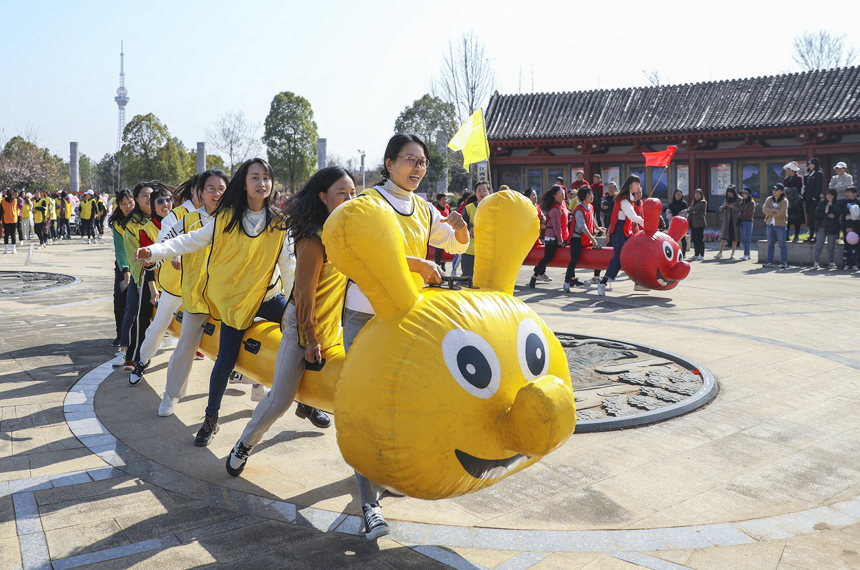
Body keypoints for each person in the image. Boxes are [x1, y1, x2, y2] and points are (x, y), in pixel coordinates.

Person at [136, 159, 330, 446]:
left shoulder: (279, 223)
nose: (262, 183)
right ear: (244, 183)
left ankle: (308, 403)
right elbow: (190, 240)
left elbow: (289, 268)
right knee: (225, 362)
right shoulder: (226, 218)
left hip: (267, 297)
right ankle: (210, 420)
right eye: (255, 177)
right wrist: (154, 251)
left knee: (300, 338)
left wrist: (295, 309)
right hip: (235, 304)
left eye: (266, 178)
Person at [340, 134, 468, 541]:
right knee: (364, 411)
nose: (417, 167)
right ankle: (369, 505)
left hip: (407, 318)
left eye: (423, 162)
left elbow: (452, 242)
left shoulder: (424, 208)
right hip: (366, 315)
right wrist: (416, 263)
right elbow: (356, 251)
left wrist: (461, 231)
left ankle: (385, 475)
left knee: (402, 404)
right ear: (389, 162)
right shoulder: (368, 204)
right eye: (410, 160)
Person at [226, 167, 356, 477]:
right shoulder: (313, 238)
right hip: (302, 326)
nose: (350, 198)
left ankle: (308, 405)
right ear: (323, 197)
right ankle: (245, 442)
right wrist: (310, 340)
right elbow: (304, 295)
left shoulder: (346, 231)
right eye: (342, 193)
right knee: (279, 400)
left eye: (353, 193)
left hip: (330, 328)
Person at [155, 170, 227, 416]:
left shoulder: (235, 220)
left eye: (221, 188)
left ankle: (258, 386)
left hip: (227, 297)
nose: (216, 193)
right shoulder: (189, 219)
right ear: (199, 193)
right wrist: (157, 255)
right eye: (211, 188)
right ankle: (171, 394)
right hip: (197, 297)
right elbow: (167, 241)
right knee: (186, 345)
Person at [119, 182, 157, 370]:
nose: (148, 199)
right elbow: (133, 256)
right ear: (137, 199)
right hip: (141, 275)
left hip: (164, 275)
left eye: (151, 195)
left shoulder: (164, 218)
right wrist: (141, 280)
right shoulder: (132, 225)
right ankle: (132, 354)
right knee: (136, 313)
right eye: (143, 195)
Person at [598, 175, 645, 296]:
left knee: (632, 255)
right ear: (630, 185)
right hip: (619, 229)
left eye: (639, 184)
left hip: (625, 229)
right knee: (619, 257)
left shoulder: (629, 198)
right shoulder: (624, 199)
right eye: (636, 184)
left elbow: (632, 219)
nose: (638, 186)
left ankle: (638, 282)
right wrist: (646, 222)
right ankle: (603, 282)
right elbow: (632, 216)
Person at [107, 190, 135, 349]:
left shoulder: (142, 220)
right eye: (123, 204)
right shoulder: (118, 225)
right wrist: (125, 270)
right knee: (120, 297)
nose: (128, 206)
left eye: (130, 202)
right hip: (124, 266)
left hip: (143, 263)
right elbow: (121, 250)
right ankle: (121, 334)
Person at [564, 185, 603, 291]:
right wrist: (593, 239)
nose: (592, 196)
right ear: (583, 196)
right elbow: (582, 226)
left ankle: (596, 277)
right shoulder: (579, 209)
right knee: (574, 260)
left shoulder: (590, 207)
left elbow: (592, 219)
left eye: (592, 194)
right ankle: (566, 282)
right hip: (577, 239)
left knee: (598, 253)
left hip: (586, 238)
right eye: (589, 194)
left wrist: (598, 228)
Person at [529, 185, 568, 288]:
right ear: (554, 195)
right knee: (547, 258)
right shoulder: (555, 209)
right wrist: (560, 240)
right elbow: (557, 227)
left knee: (548, 258)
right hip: (552, 238)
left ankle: (571, 278)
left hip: (560, 236)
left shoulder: (562, 204)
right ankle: (535, 275)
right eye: (560, 192)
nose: (563, 193)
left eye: (563, 191)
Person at [461, 181, 492, 277]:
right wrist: (470, 228)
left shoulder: (494, 208)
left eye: (484, 190)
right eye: (479, 190)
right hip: (470, 250)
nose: (482, 193)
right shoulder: (469, 208)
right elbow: (462, 224)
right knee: (468, 278)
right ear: (475, 193)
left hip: (488, 251)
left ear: (489, 192)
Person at [813, 188, 842, 269]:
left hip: (832, 228)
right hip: (821, 226)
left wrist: (831, 204)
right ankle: (816, 261)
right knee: (819, 244)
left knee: (831, 246)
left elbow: (837, 213)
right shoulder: (821, 203)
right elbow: (817, 213)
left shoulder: (837, 203)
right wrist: (827, 215)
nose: (829, 196)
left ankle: (831, 262)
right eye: (827, 194)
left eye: (831, 195)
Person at [763, 183, 788, 269]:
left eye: (776, 190)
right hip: (770, 224)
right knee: (770, 244)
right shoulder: (769, 199)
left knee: (782, 244)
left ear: (781, 191)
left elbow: (782, 213)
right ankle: (769, 261)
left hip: (780, 225)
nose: (774, 191)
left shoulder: (784, 201)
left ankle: (784, 262)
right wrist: (774, 210)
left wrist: (771, 212)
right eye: (773, 189)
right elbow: (764, 209)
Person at [715, 186, 741, 259]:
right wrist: (724, 206)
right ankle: (720, 252)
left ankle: (733, 253)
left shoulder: (738, 199)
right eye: (728, 194)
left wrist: (733, 207)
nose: (729, 195)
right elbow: (720, 208)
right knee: (723, 237)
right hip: (726, 220)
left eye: (731, 194)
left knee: (734, 237)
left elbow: (740, 210)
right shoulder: (726, 199)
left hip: (734, 220)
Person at [803, 158, 824, 241]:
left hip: (814, 200)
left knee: (815, 218)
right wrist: (805, 175)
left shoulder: (819, 174)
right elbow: (806, 185)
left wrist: (814, 197)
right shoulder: (811, 174)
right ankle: (810, 235)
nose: (809, 165)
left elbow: (819, 187)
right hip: (808, 200)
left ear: (815, 164)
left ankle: (816, 236)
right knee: (810, 218)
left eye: (811, 164)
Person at [783, 162, 804, 242]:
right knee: (787, 219)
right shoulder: (786, 179)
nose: (788, 170)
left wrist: (789, 190)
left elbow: (798, 189)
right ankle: (786, 235)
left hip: (796, 201)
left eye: (790, 168)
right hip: (788, 201)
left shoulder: (799, 178)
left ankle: (796, 235)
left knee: (797, 220)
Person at [839, 187, 859, 270]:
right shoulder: (844, 201)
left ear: (854, 193)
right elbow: (844, 212)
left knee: (856, 245)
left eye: (849, 192)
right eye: (846, 192)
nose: (847, 194)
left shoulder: (858, 201)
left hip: (857, 226)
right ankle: (846, 264)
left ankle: (855, 264)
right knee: (847, 245)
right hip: (846, 226)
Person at [666, 189, 689, 257]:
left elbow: (685, 213)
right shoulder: (671, 204)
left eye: (680, 194)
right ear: (674, 195)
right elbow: (668, 212)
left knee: (683, 238)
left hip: (681, 224)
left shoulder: (684, 203)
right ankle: (672, 253)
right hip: (673, 224)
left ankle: (683, 253)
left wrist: (677, 219)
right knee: (672, 238)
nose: (679, 195)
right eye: (677, 194)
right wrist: (673, 219)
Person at [432, 192, 450, 270]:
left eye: (446, 199)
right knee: (438, 250)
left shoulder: (447, 207)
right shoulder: (436, 210)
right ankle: (437, 266)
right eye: (443, 200)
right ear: (438, 201)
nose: (445, 201)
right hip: (438, 232)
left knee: (446, 248)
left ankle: (443, 264)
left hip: (447, 231)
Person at [688, 190, 707, 260]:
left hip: (700, 223)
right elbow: (689, 209)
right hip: (693, 222)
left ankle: (701, 254)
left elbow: (696, 209)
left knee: (700, 239)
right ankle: (696, 254)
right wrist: (693, 211)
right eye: (696, 194)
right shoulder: (694, 202)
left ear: (701, 195)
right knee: (695, 239)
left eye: (698, 194)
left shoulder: (703, 202)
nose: (697, 196)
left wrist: (692, 210)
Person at [738, 187, 755, 260]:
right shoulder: (742, 202)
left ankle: (746, 254)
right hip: (741, 221)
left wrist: (740, 216)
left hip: (748, 222)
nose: (743, 195)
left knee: (747, 238)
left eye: (745, 193)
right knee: (743, 239)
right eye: (743, 193)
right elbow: (739, 210)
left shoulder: (751, 202)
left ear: (749, 194)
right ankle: (747, 253)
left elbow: (749, 212)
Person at [1, 188, 19, 254]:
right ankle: (13, 249)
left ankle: (6, 249)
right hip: (14, 219)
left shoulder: (3, 201)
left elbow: (1, 211)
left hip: (6, 219)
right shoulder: (15, 200)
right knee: (13, 234)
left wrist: (0, 219)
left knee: (6, 235)